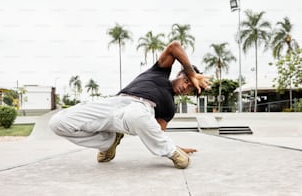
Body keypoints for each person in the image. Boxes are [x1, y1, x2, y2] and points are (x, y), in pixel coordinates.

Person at [49, 41, 212, 169]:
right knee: (57, 123)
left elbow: (155, 134)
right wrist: (192, 74)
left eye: (190, 89)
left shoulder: (170, 108)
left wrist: (177, 147)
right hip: (113, 103)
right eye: (186, 81)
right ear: (179, 74)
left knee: (136, 114)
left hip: (136, 113)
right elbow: (174, 46)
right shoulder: (159, 72)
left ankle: (173, 153)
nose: (185, 87)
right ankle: (107, 142)